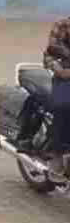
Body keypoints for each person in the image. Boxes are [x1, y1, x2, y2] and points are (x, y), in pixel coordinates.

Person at [44, 16, 70, 180]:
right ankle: (57, 152)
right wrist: (61, 71)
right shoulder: (63, 25)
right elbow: (49, 55)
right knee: (63, 105)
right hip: (66, 75)